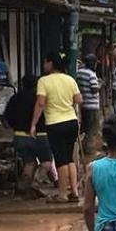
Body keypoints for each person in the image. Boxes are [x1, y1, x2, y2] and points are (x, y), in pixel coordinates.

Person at [30, 52, 82, 203]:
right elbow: (79, 99)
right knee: (69, 158)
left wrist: (33, 124)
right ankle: (74, 192)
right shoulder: (70, 79)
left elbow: (40, 103)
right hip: (71, 122)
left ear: (51, 63)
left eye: (45, 62)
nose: (43, 65)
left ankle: (62, 194)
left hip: (55, 124)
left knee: (60, 159)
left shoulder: (44, 81)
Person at [4, 74, 57, 195]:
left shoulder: (15, 98)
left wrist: (16, 127)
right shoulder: (42, 99)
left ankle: (23, 187)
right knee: (46, 161)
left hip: (20, 137)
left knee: (29, 162)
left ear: (23, 85)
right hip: (41, 136)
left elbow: (7, 116)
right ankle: (36, 182)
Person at [75, 54, 101, 155]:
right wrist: (100, 84)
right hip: (92, 106)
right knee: (91, 129)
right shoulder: (91, 74)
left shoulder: (79, 73)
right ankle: (89, 150)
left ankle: (81, 147)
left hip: (84, 104)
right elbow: (94, 89)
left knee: (84, 127)